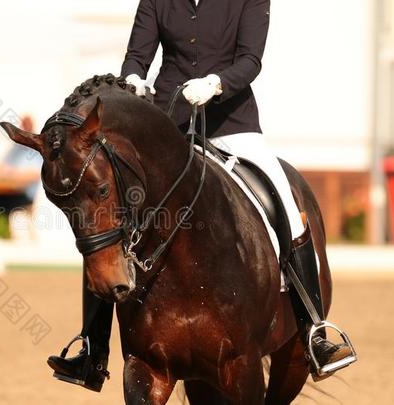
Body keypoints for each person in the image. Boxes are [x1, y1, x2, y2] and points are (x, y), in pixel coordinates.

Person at [47, 0, 355, 392]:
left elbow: (250, 60)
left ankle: (314, 330)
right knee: (109, 225)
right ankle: (92, 348)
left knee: (288, 206)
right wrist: (134, 79)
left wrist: (217, 83)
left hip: (233, 123)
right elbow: (137, 55)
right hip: (165, 127)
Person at [0, 116, 42, 215]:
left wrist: (12, 174)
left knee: (0, 204)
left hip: (28, 196)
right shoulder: (16, 147)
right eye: (23, 126)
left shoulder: (38, 148)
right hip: (12, 191)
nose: (24, 129)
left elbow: (36, 174)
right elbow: (0, 170)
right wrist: (19, 175)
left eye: (27, 126)